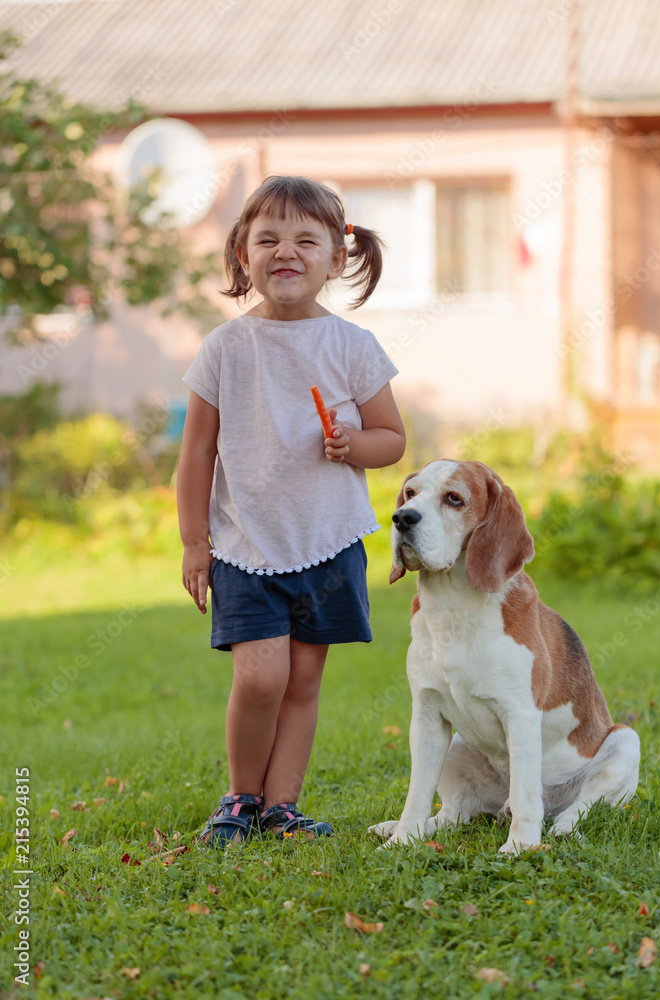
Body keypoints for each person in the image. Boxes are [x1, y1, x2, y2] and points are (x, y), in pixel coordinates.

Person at [176, 175, 406, 846]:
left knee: (303, 677)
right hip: (245, 542)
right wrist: (196, 543)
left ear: (337, 257)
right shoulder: (224, 348)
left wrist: (352, 444)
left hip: (328, 542)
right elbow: (196, 455)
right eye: (267, 238)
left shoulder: (353, 347)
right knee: (260, 675)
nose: (286, 251)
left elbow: (391, 440)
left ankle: (283, 806)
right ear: (241, 255)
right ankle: (241, 798)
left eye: (306, 240)